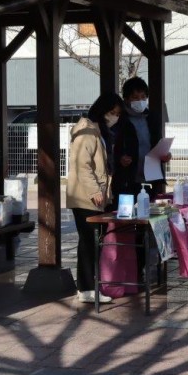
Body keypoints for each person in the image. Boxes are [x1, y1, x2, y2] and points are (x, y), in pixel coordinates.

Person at [67, 92, 124, 303]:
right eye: (111, 112)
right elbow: (82, 165)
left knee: (92, 242)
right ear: (101, 110)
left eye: (117, 114)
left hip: (96, 196)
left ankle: (88, 286)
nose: (114, 117)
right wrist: (94, 192)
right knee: (88, 242)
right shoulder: (86, 131)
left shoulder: (99, 131)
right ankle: (86, 288)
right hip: (86, 197)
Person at [113, 77, 171, 202]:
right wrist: (120, 158)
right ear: (126, 99)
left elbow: (157, 144)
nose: (140, 101)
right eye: (135, 97)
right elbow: (112, 147)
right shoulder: (119, 119)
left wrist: (165, 155)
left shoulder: (151, 118)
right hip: (128, 180)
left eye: (143, 97)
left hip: (151, 179)